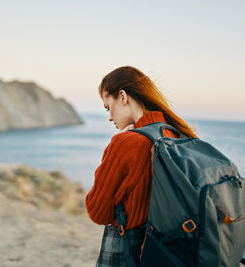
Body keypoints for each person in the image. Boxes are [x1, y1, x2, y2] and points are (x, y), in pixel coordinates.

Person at [85, 66, 198, 266]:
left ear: (122, 96)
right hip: (169, 250)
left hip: (130, 250)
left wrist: (114, 145)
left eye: (107, 106)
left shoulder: (126, 143)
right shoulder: (175, 135)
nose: (109, 116)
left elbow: (97, 211)